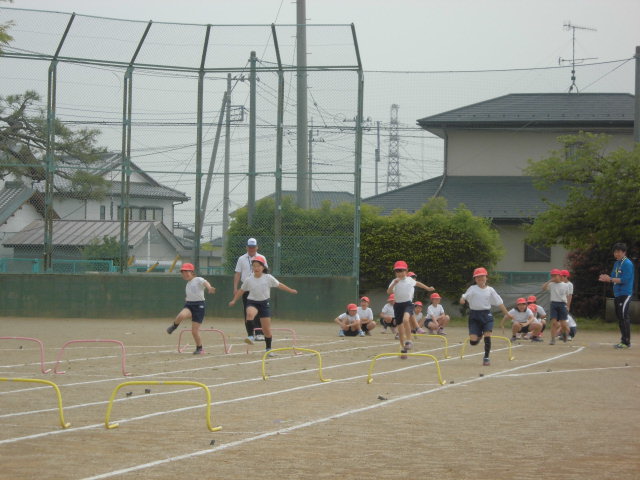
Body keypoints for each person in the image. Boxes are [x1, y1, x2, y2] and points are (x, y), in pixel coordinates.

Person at [229, 255, 297, 355]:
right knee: (249, 314)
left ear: (263, 267)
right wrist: (234, 300)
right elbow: (241, 290)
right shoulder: (249, 279)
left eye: (258, 266)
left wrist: (290, 290)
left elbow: (279, 285)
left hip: (264, 304)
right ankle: (250, 336)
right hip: (252, 302)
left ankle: (268, 349)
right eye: (254, 266)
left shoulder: (268, 278)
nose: (256, 268)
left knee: (266, 331)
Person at [459, 267, 509, 366]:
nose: (480, 278)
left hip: (486, 315)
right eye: (478, 277)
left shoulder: (490, 290)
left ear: (486, 277)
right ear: (475, 279)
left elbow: (499, 302)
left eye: (482, 276)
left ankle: (486, 357)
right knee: (473, 342)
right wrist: (462, 299)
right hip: (474, 315)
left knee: (488, 335)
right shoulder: (472, 288)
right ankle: (479, 335)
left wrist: (507, 313)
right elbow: (464, 296)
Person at [387, 260, 435, 357]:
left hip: (408, 304)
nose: (399, 273)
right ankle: (403, 348)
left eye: (401, 270)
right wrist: (394, 284)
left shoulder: (409, 280)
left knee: (406, 319)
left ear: (406, 271)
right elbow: (389, 292)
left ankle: (409, 340)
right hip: (397, 305)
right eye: (397, 271)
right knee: (400, 329)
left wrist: (428, 288)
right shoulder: (394, 281)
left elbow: (418, 283)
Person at [166, 262, 216, 355]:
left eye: (187, 272)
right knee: (181, 315)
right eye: (183, 272)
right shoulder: (188, 284)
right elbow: (191, 294)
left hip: (199, 306)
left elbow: (205, 282)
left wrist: (209, 287)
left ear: (192, 272)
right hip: (189, 305)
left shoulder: (198, 279)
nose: (184, 274)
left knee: (194, 331)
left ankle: (200, 348)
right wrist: (187, 298)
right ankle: (174, 327)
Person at [598, 242, 635, 349]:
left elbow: (625, 280)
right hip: (617, 294)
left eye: (619, 252)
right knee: (620, 317)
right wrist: (607, 278)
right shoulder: (617, 263)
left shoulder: (627, 263)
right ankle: (624, 340)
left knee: (623, 317)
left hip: (625, 293)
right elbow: (613, 277)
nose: (616, 254)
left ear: (624, 252)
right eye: (615, 252)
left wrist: (610, 279)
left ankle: (626, 342)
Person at [233, 237, 268, 343]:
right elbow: (238, 273)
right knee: (247, 311)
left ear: (257, 247)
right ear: (246, 247)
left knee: (259, 311)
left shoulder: (262, 258)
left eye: (253, 247)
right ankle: (250, 334)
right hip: (246, 288)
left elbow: (265, 272)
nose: (251, 249)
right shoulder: (241, 259)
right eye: (249, 247)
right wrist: (235, 288)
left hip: (258, 288)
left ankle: (259, 333)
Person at [542, 268, 572, 345]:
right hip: (553, 304)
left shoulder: (565, 285)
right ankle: (552, 339)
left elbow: (568, 296)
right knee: (554, 323)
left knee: (563, 324)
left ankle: (564, 334)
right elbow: (543, 288)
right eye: (552, 276)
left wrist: (567, 306)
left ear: (559, 276)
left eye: (555, 275)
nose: (553, 277)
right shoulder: (551, 284)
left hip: (562, 304)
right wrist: (549, 281)